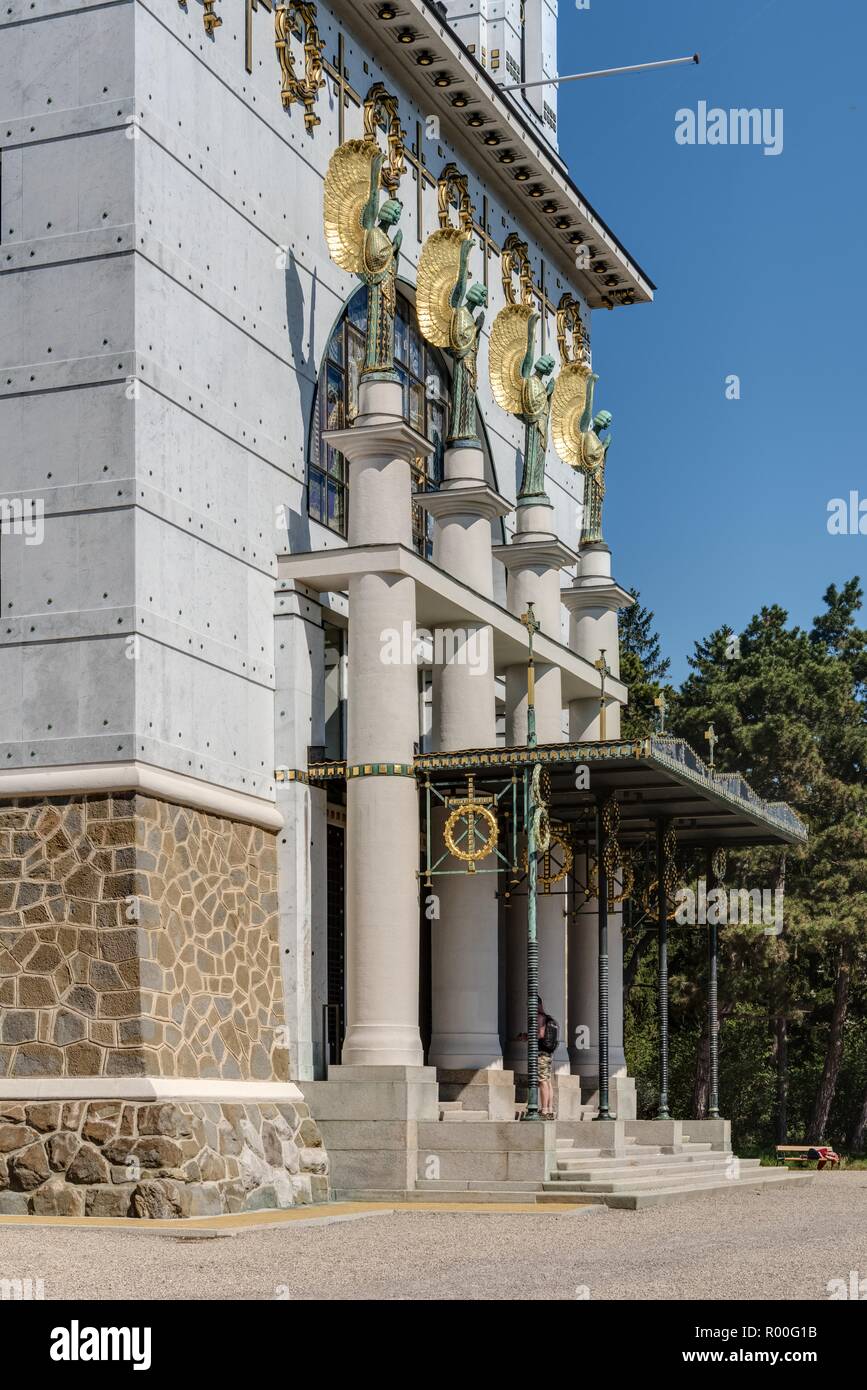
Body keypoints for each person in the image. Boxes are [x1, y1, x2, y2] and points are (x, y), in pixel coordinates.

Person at [517, 998, 559, 1120]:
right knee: (547, 1081)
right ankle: (549, 1110)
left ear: (537, 1005)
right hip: (548, 1053)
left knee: (542, 1081)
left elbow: (540, 1034)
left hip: (541, 1054)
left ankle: (544, 1110)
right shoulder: (549, 1018)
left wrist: (526, 1036)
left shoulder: (540, 1017)